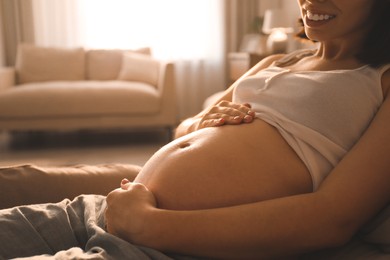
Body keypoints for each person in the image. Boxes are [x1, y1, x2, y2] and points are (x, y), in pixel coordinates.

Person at [0, 0, 389, 259]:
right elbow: (186, 128)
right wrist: (201, 120)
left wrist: (150, 226)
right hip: (102, 207)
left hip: (162, 245)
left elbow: (334, 218)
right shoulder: (278, 60)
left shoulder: (381, 80)